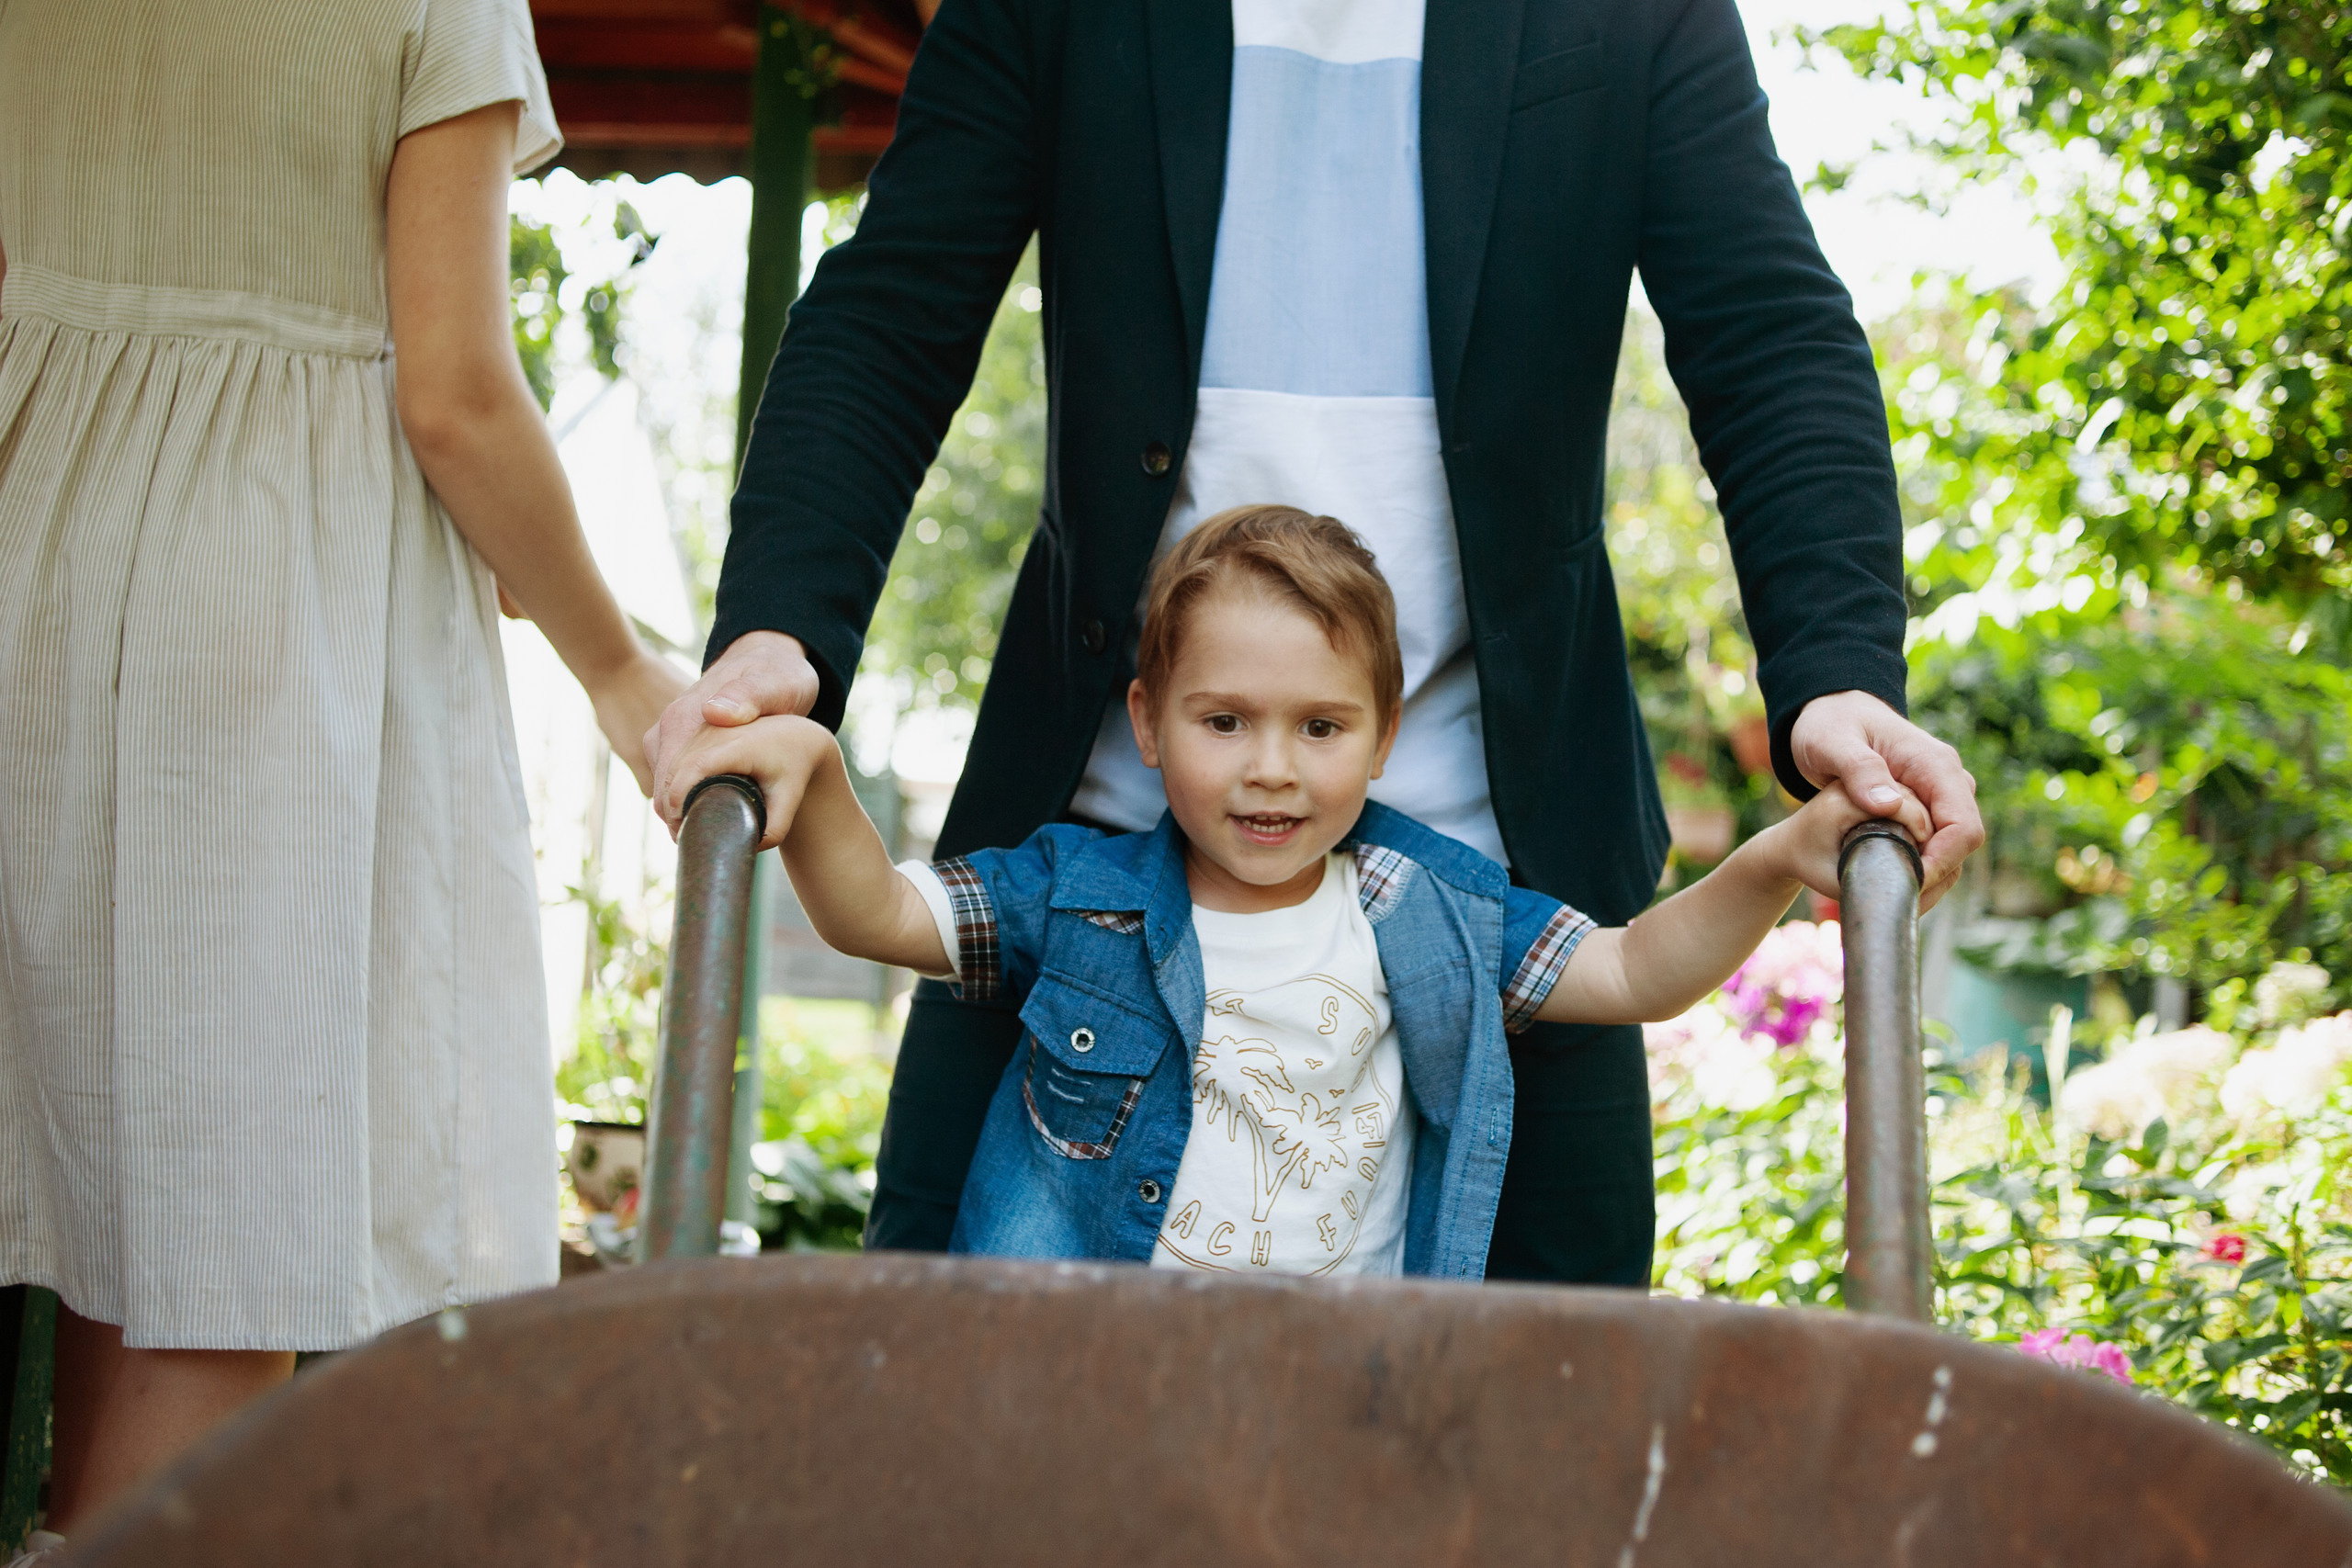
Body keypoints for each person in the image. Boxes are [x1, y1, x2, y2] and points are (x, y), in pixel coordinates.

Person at [649, 0, 1985, 1285]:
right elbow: (893, 311)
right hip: (1102, 878)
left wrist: (1838, 680)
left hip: (1501, 875)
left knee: (1517, 1473)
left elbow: (1768, 329)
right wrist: (781, 637)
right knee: (968, 1435)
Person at [0, 0, 685, 1545]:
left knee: (67, 1176)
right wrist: (621, 667)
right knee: (211, 1250)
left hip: (21, 564)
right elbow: (451, 392)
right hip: (257, 616)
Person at [668, 506, 1915, 1273]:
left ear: (1383, 742)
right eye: (1226, 720)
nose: (1272, 768)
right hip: (1089, 1399)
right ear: (1148, 724)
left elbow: (1637, 973)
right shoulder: (1080, 894)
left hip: (1333, 1409)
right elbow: (878, 914)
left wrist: (1771, 860)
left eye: (1321, 727)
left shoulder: (1432, 909)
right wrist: (817, 774)